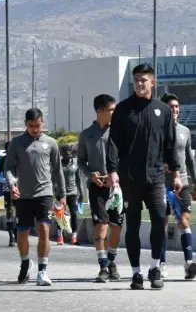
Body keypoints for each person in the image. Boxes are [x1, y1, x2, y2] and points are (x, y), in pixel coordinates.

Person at [106, 63, 180, 290]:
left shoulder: (163, 110)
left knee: (159, 217)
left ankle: (155, 267)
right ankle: (136, 273)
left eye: (144, 80)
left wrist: (176, 174)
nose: (139, 83)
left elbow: (170, 143)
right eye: (136, 79)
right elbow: (114, 141)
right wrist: (112, 171)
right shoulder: (123, 109)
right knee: (134, 224)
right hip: (130, 177)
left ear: (152, 82)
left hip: (156, 176)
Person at [4, 108, 65, 287]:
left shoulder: (51, 143)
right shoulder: (17, 143)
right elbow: (8, 168)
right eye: (31, 126)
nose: (35, 129)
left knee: (44, 229)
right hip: (23, 195)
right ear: (25, 124)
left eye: (38, 126)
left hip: (45, 194)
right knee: (22, 234)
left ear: (42, 123)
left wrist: (62, 194)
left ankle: (42, 271)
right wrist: (12, 185)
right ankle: (25, 262)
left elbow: (57, 170)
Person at [78, 94, 123, 283]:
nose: (114, 112)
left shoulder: (121, 131)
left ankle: (111, 260)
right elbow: (81, 162)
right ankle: (103, 266)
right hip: (97, 188)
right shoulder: (86, 134)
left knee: (117, 226)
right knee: (101, 226)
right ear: (99, 111)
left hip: (118, 188)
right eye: (111, 109)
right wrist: (91, 175)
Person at [159, 92, 196, 280]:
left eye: (176, 106)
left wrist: (195, 180)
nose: (174, 109)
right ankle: (162, 263)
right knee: (163, 223)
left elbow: (189, 158)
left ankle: (189, 263)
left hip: (183, 183)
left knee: (184, 221)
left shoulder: (185, 131)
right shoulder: (158, 131)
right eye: (171, 106)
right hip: (162, 184)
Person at [55, 143, 82, 246]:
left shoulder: (75, 164)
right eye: (66, 153)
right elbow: (54, 179)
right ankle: (60, 236)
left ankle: (74, 236)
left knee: (74, 214)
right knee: (60, 215)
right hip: (60, 193)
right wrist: (54, 191)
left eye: (70, 153)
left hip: (73, 193)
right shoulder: (58, 165)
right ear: (62, 154)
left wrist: (81, 192)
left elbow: (78, 179)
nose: (68, 155)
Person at [0, 141, 16, 246]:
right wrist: (5, 180)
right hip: (8, 190)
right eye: (8, 149)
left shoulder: (20, 159)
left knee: (19, 212)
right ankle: (11, 235)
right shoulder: (2, 161)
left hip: (20, 189)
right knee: (10, 212)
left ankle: (17, 232)